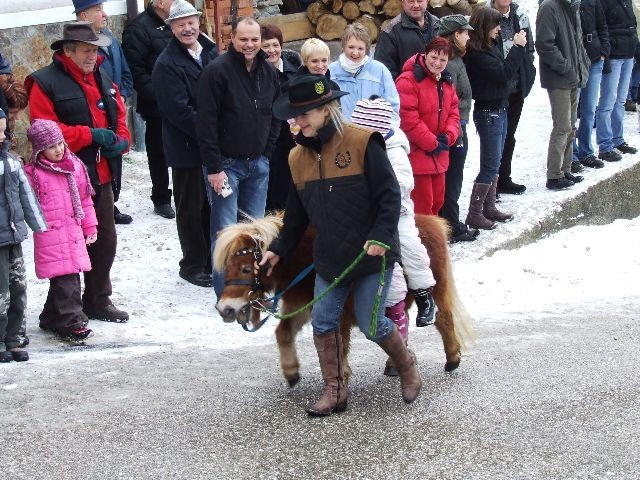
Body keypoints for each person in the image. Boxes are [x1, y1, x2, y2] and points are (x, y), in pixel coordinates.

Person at [259, 75, 421, 416]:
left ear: (327, 108)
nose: (298, 121)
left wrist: (380, 236)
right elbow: (297, 215)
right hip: (330, 259)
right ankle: (335, 390)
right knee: (323, 322)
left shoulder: (364, 142)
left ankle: (407, 365)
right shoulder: (296, 158)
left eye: (305, 114)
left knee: (371, 324)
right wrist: (279, 247)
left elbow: (389, 196)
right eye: (294, 115)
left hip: (370, 256)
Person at [26, 21, 131, 322]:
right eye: (86, 50)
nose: (92, 55)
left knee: (105, 240)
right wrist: (89, 135)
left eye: (95, 49)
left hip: (101, 172)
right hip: (63, 177)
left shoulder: (103, 74)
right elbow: (43, 130)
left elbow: (119, 112)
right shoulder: (43, 82)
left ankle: (96, 299)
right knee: (68, 248)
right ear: (67, 51)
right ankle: (61, 310)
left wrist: (122, 140)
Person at [197, 17, 280, 297]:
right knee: (225, 233)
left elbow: (276, 114)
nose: (250, 45)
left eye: (254, 39)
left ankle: (252, 290)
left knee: (255, 233)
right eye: (244, 39)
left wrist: (266, 154)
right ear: (232, 39)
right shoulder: (216, 72)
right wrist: (214, 167)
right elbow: (206, 123)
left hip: (257, 164)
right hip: (226, 167)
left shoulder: (268, 73)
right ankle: (226, 294)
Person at [351, 97, 436, 329]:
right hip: (366, 214)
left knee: (410, 248)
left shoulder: (394, 150)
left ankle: (423, 293)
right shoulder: (355, 147)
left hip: (397, 213)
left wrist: (377, 190)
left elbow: (401, 182)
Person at [152, 0, 218, 288]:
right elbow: (177, 110)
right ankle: (191, 264)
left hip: (212, 145)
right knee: (191, 207)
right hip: (187, 148)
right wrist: (210, 131)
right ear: (172, 29)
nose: (187, 28)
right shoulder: (166, 64)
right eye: (181, 24)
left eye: (191, 22)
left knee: (211, 207)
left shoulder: (211, 52)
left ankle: (209, 260)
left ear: (198, 22)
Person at [25, 120, 97, 342]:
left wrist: (90, 226)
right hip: (51, 236)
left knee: (65, 278)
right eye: (51, 146)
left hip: (73, 233)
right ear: (39, 150)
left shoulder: (74, 166)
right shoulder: (34, 174)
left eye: (60, 143)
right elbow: (27, 203)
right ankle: (71, 322)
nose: (58, 149)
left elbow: (85, 201)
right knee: (67, 281)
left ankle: (50, 317)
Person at [73, 0, 134, 225]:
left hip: (113, 106)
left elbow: (124, 70)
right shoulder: (73, 47)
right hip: (93, 117)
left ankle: (112, 201)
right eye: (97, 10)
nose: (104, 14)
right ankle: (104, 206)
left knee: (114, 156)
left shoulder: (109, 39)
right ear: (82, 16)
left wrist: (122, 95)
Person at [464, 8, 524, 227]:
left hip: (500, 108)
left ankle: (488, 207)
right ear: (484, 26)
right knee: (489, 164)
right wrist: (517, 47)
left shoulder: (490, 45)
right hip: (488, 112)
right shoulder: (477, 54)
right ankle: (475, 212)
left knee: (495, 162)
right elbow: (504, 73)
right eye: (495, 25)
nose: (499, 29)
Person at [0, 109, 47, 363]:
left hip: (14, 235)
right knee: (0, 292)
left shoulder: (11, 162)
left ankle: (15, 338)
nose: (1, 136)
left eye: (2, 130)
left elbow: (26, 196)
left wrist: (38, 225)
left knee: (18, 288)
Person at [122, 0, 176, 219]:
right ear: (160, 2)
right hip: (157, 104)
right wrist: (158, 95)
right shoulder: (138, 28)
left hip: (183, 100)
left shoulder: (178, 22)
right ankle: (161, 198)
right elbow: (135, 69)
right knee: (159, 151)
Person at [396, 37, 460, 217]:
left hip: (439, 154)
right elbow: (408, 119)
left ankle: (432, 241)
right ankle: (423, 242)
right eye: (434, 57)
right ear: (425, 54)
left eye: (443, 60)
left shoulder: (445, 82)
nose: (437, 63)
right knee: (422, 206)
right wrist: (431, 142)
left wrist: (448, 136)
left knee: (437, 203)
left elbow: (454, 113)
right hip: (417, 153)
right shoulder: (408, 80)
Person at [536, 0, 590, 190]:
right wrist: (565, 66)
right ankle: (554, 175)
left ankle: (565, 169)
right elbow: (544, 44)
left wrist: (583, 65)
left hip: (574, 75)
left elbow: (578, 40)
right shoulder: (550, 7)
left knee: (570, 126)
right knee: (562, 127)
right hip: (559, 78)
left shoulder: (572, 5)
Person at [437, 15, 480, 243]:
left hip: (457, 124)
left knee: (452, 176)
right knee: (452, 177)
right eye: (466, 33)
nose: (469, 37)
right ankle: (451, 224)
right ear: (456, 35)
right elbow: (448, 101)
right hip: (454, 128)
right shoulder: (450, 64)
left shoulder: (456, 60)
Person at [491, 0, 537, 194]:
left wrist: (528, 71)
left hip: (517, 87)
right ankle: (490, 186)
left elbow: (529, 49)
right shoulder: (485, 16)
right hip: (496, 89)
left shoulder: (521, 15)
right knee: (494, 140)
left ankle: (504, 179)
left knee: (509, 137)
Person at [261, 24, 302, 211]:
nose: (272, 50)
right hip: (268, 141)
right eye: (266, 46)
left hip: (292, 141)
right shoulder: (256, 74)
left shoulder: (295, 71)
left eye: (275, 45)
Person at [595, 0, 639, 162]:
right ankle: (605, 145)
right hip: (613, 55)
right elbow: (602, 27)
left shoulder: (627, 1)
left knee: (620, 101)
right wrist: (605, 53)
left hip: (628, 53)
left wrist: (636, 48)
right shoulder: (603, 2)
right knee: (608, 101)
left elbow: (632, 25)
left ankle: (618, 139)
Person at [329, 23, 400, 120]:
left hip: (373, 132)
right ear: (343, 46)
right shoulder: (331, 72)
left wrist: (384, 131)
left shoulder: (379, 70)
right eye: (351, 47)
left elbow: (392, 106)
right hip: (341, 132)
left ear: (366, 49)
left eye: (360, 48)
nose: (355, 53)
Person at [573, 0, 610, 169]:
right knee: (570, 114)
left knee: (589, 110)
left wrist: (604, 50)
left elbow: (602, 25)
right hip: (573, 60)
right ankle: (571, 155)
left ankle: (586, 152)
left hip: (594, 57)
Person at [374, 0, 441, 79]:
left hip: (436, 88)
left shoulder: (438, 25)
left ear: (427, 1)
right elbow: (384, 72)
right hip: (407, 89)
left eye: (419, 1)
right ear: (403, 2)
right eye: (411, 1)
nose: (416, 5)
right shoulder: (390, 32)